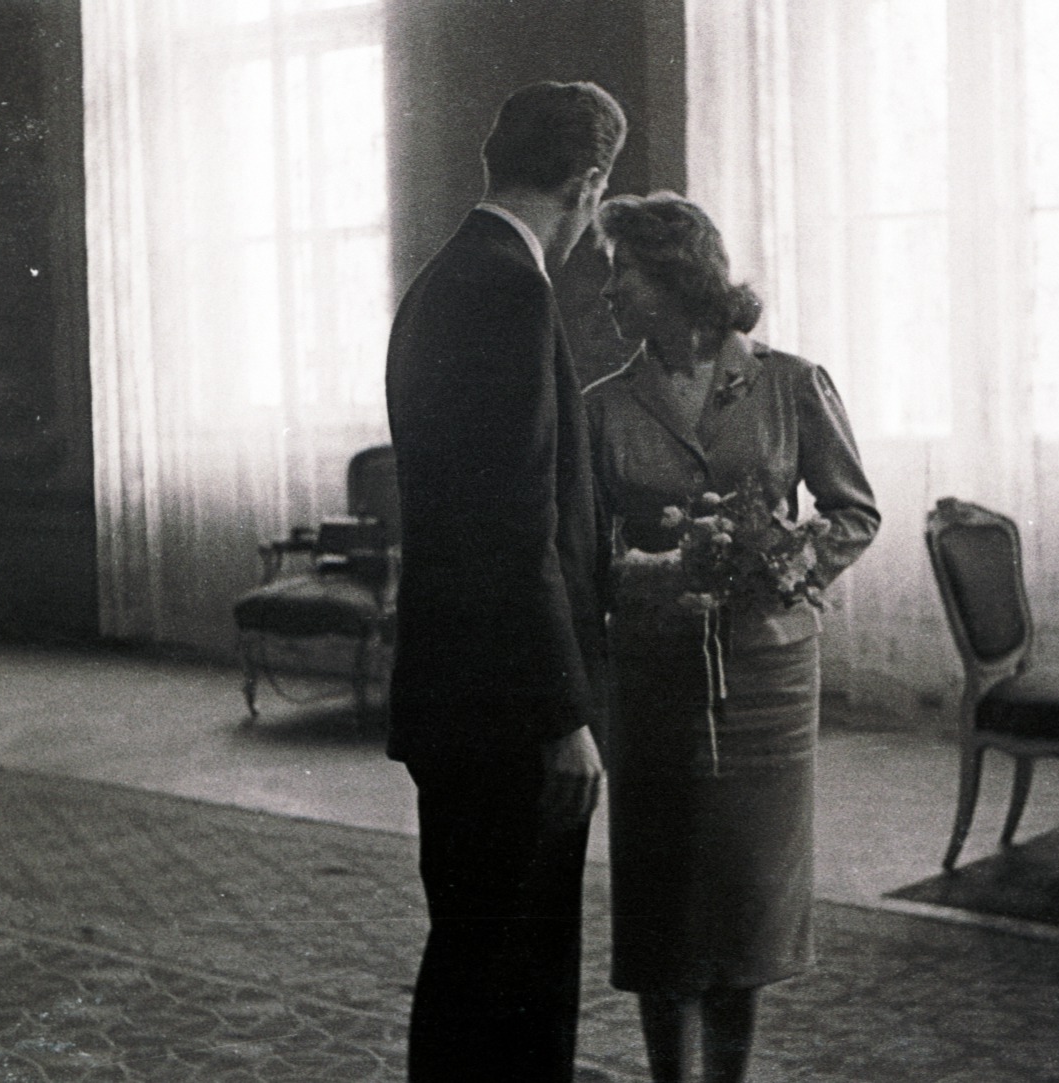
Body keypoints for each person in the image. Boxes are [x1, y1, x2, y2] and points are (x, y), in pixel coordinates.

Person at [585, 192, 880, 1083]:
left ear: (676, 277)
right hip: (655, 677)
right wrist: (652, 572)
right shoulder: (603, 407)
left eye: (622, 273)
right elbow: (584, 552)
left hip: (766, 679)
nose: (607, 292)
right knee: (663, 896)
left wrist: (784, 562)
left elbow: (853, 511)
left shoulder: (791, 382)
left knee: (745, 901)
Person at [383, 81, 625, 1083]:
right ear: (589, 183)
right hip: (509, 708)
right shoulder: (510, 290)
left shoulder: (442, 279)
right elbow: (515, 526)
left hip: (455, 691)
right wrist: (562, 716)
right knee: (518, 979)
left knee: (471, 961)